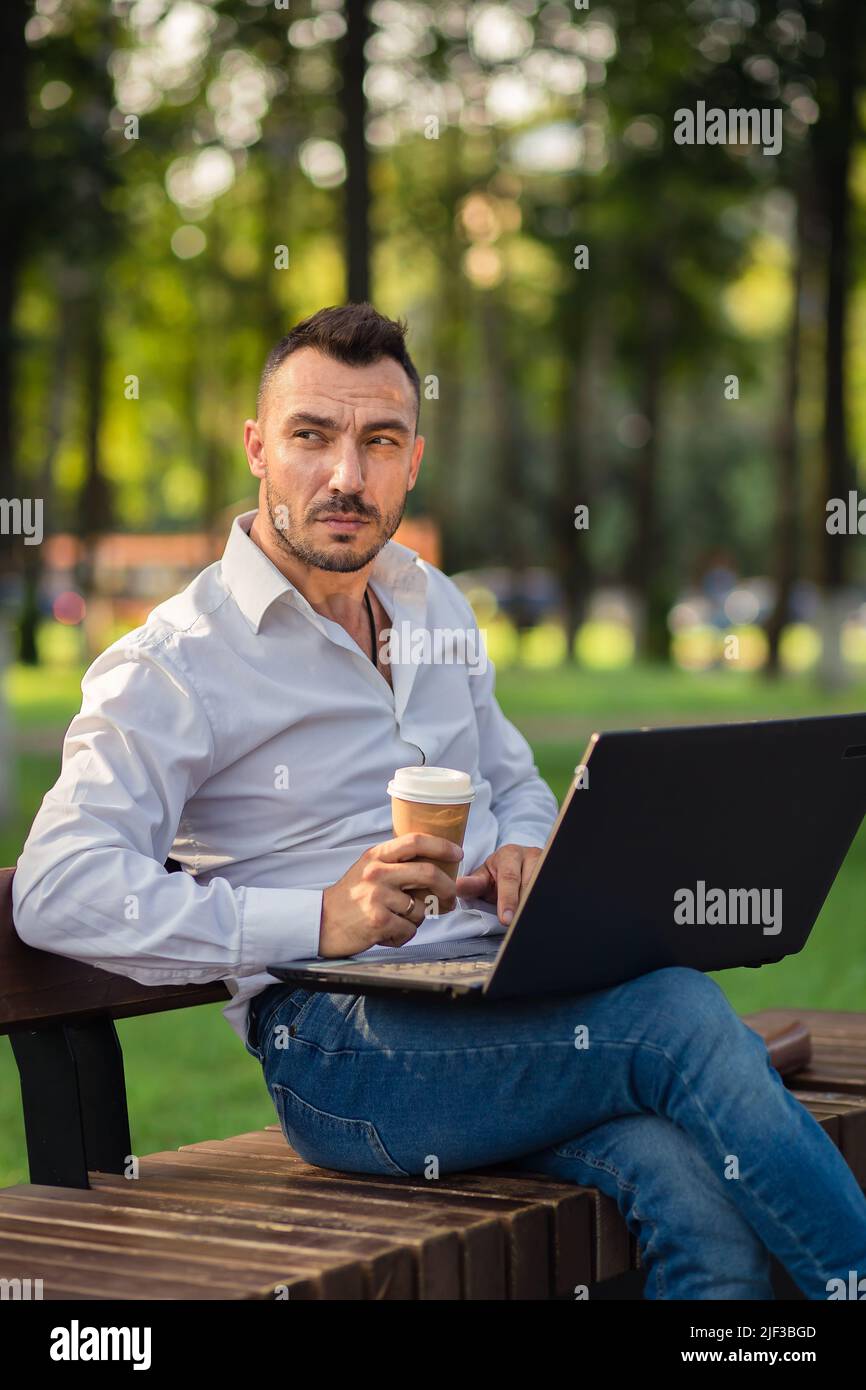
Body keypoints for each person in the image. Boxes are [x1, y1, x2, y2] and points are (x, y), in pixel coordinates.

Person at [13, 303, 866, 1300]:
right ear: (256, 448)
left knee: (686, 1185)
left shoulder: (431, 602)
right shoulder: (177, 660)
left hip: (495, 1002)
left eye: (378, 442)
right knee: (674, 1015)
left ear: (412, 460)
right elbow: (56, 888)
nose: (345, 475)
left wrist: (526, 852)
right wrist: (320, 917)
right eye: (310, 437)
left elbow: (509, 781)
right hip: (337, 1052)